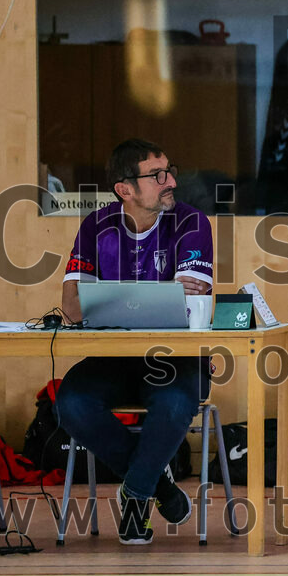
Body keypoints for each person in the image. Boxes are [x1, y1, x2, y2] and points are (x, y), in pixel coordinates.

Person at [58, 139, 214, 545]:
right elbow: (72, 308)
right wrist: (165, 293)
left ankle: (136, 496)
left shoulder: (192, 223)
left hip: (176, 359)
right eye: (157, 175)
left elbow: (192, 305)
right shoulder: (95, 226)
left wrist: (118, 298)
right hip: (114, 359)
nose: (170, 181)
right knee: (71, 401)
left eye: (170, 171)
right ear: (124, 189)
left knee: (177, 402)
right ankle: (154, 483)